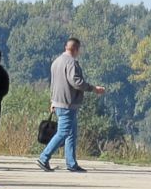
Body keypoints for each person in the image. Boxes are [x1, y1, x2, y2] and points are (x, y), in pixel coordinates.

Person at [37, 37, 105, 173]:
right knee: (63, 132)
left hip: (59, 102)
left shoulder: (56, 62)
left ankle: (71, 163)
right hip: (67, 103)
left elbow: (54, 83)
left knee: (71, 134)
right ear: (76, 49)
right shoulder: (71, 63)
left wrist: (52, 101)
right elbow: (76, 82)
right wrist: (93, 88)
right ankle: (44, 157)